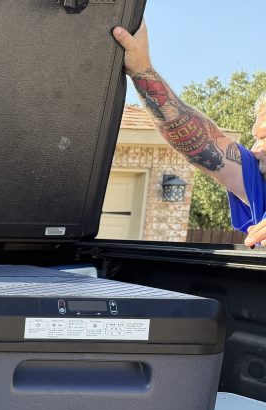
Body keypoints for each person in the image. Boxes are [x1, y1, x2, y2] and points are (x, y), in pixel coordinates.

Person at [113, 22, 266, 248]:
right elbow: (200, 142)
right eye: (259, 134)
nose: (257, 133)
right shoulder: (258, 179)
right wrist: (140, 69)